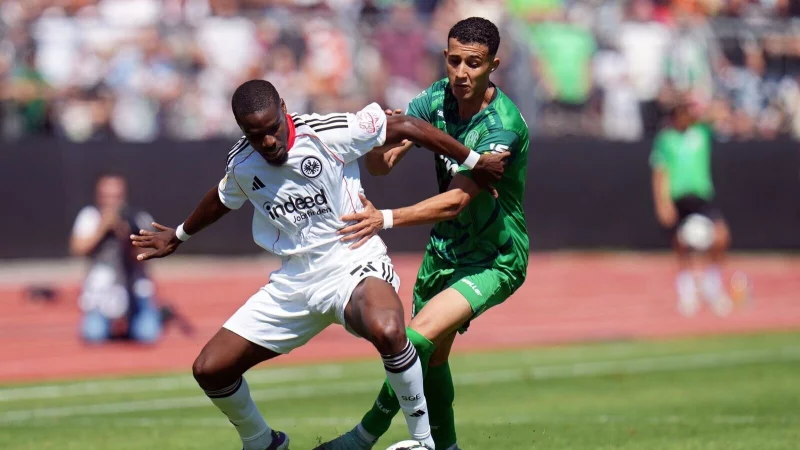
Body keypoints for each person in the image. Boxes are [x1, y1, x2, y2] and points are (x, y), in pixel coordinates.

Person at [130, 79, 509, 450]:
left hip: (353, 261)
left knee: (390, 330)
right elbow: (223, 196)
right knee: (210, 369)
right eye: (256, 135)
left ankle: (423, 441)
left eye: (273, 128)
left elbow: (408, 125)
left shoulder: (329, 132)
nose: (268, 141)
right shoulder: (243, 162)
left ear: (284, 108)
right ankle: (261, 441)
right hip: (294, 282)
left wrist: (473, 161)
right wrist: (179, 235)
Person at [316, 17, 530, 450]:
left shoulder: (503, 126)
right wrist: (378, 138)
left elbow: (455, 202)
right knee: (432, 360)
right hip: (444, 252)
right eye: (454, 61)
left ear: (493, 65)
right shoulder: (434, 99)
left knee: (414, 339)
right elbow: (381, 166)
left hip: (495, 257)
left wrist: (384, 219)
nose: (461, 72)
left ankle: (362, 436)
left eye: (473, 63)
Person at [650, 99, 732, 317]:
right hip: (679, 197)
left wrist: (698, 109)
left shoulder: (701, 132)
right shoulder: (666, 139)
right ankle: (687, 293)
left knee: (721, 237)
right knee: (681, 245)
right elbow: (660, 172)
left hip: (701, 196)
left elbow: (721, 113)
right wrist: (662, 203)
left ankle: (712, 286)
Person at [70, 173, 162, 344]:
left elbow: (151, 253)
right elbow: (78, 249)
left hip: (135, 290)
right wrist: (102, 228)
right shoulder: (90, 216)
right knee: (93, 335)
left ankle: (154, 315)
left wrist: (129, 238)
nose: (111, 202)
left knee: (147, 335)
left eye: (116, 196)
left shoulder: (138, 217)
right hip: (101, 293)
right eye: (106, 196)